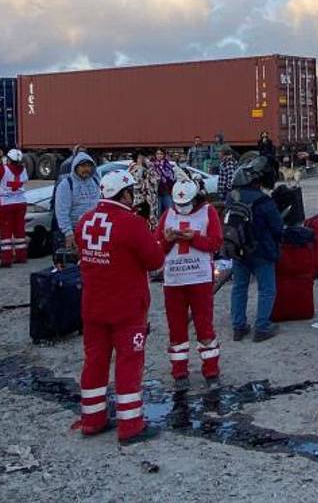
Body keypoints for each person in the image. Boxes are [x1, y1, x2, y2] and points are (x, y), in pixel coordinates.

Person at [75, 170, 165, 445]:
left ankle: (92, 419)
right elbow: (154, 260)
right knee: (128, 363)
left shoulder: (85, 222)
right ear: (125, 194)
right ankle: (130, 425)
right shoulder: (131, 223)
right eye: (131, 192)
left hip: (93, 306)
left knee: (95, 361)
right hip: (127, 308)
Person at [154, 180, 224, 387]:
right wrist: (167, 240)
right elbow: (156, 247)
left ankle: (211, 370)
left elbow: (216, 242)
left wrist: (194, 238)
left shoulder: (208, 212)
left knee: (204, 326)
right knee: (176, 328)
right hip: (174, 280)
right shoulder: (168, 214)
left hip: (200, 279)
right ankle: (179, 372)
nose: (182, 208)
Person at [229, 157, 284, 343]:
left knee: (239, 288)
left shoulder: (232, 197)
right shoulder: (264, 201)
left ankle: (238, 327)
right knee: (267, 289)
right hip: (262, 251)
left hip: (238, 249)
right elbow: (278, 227)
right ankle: (262, 327)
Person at [57, 152, 101, 249]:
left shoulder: (95, 182)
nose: (86, 169)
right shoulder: (67, 184)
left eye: (89, 166)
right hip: (76, 230)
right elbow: (62, 211)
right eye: (83, 166)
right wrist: (68, 232)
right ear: (75, 167)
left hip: (94, 229)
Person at [0, 149, 29, 267]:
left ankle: (6, 259)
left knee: (6, 233)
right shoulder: (23, 169)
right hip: (20, 202)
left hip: (6, 203)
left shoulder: (3, 169)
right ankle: (21, 256)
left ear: (9, 159)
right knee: (20, 231)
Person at [128, 152, 155, 220]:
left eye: (143, 157)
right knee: (138, 216)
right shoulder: (133, 168)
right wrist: (140, 166)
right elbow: (137, 179)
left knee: (147, 216)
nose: (143, 159)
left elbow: (153, 178)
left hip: (147, 197)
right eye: (140, 157)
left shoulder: (147, 167)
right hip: (137, 198)